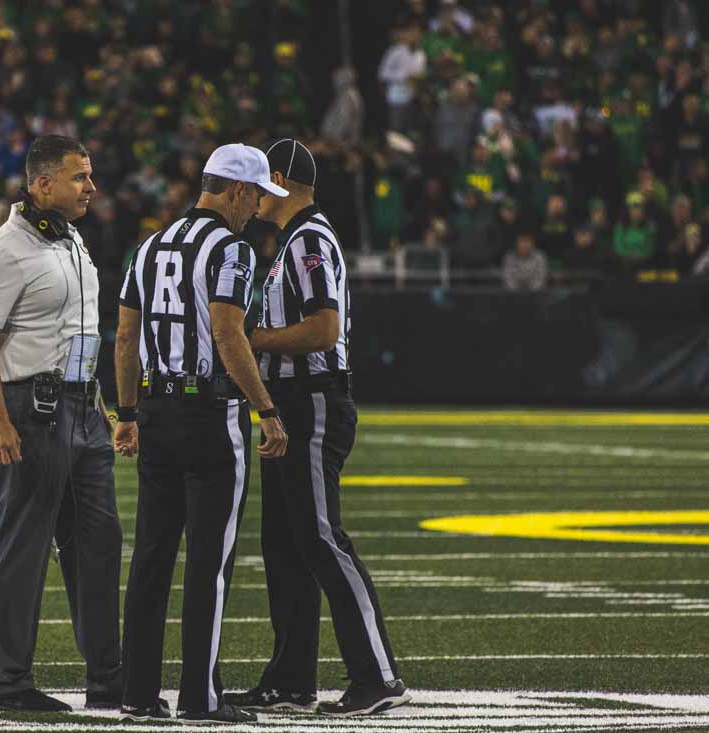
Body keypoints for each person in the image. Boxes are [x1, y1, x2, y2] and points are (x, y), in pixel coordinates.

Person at [224, 140, 410, 718]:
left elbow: (325, 330)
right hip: (290, 402)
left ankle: (377, 676)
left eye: (260, 182)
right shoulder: (290, 241)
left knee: (322, 538)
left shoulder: (309, 238)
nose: (253, 195)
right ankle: (291, 678)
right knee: (286, 546)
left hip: (313, 401)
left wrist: (254, 340)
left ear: (278, 178)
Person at [113, 143, 289, 724]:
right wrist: (265, 408)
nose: (259, 207)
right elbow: (226, 333)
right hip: (209, 415)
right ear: (237, 190)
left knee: (152, 557)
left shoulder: (149, 245)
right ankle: (199, 697)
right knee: (208, 564)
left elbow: (124, 338)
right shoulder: (231, 249)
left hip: (157, 411)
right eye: (258, 194)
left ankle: (137, 693)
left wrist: (130, 413)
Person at [0, 135, 123, 713]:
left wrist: (101, 404)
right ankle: (9, 682)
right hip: (33, 411)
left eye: (90, 174)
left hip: (83, 407)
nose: (91, 186)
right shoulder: (2, 250)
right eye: (79, 176)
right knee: (24, 546)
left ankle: (108, 678)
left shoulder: (70, 238)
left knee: (100, 545)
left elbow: (75, 331)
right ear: (42, 183)